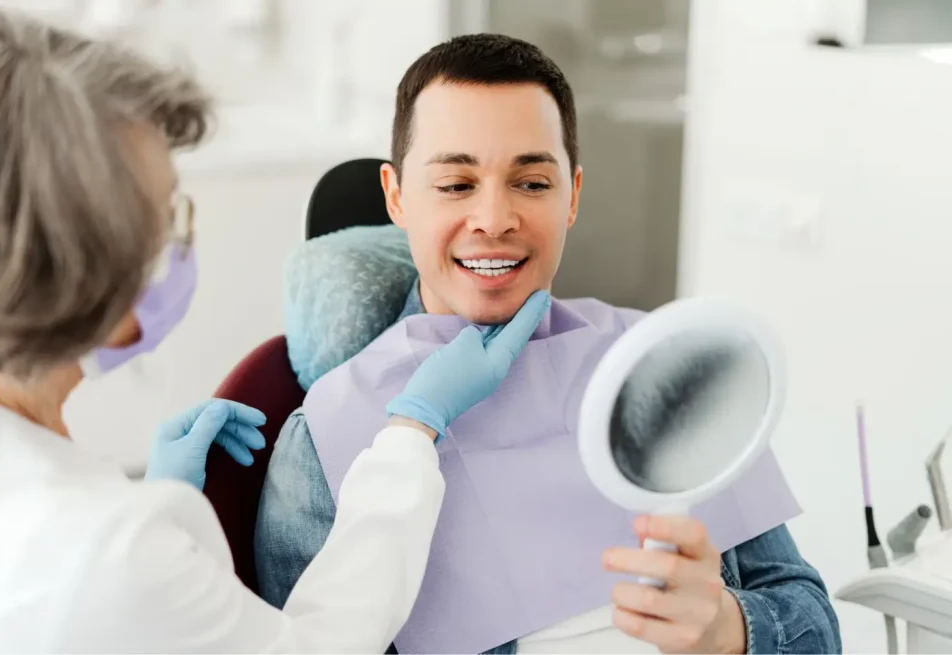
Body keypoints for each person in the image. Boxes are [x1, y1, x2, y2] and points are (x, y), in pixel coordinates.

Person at [0, 7, 549, 652]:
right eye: (167, 217)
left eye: (533, 181)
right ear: (90, 280)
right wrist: (413, 428)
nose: (494, 218)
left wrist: (162, 498)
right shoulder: (110, 553)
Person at [257, 34, 843, 654]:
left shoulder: (666, 373)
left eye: (532, 183)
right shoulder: (328, 436)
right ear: (397, 197)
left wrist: (729, 629)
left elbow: (816, 627)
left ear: (573, 195)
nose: (494, 218)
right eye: (456, 184)